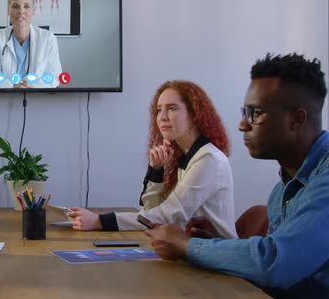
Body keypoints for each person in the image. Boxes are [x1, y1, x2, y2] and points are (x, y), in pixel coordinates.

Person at [145, 53, 329, 298]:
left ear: (296, 120)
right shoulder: (282, 190)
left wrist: (187, 245)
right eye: (244, 112)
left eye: (255, 113)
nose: (242, 124)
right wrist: (214, 242)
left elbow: (276, 262)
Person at [68, 80, 237, 239]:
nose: (162, 117)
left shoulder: (208, 159)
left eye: (172, 108)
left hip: (219, 260)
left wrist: (100, 221)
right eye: (158, 109)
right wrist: (156, 171)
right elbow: (152, 212)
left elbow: (167, 215)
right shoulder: (186, 155)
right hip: (196, 253)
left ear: (194, 114)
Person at [0, 0, 62, 88]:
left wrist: (34, 86)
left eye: (26, 6)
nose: (21, 11)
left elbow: (54, 77)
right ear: (8, 10)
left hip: (37, 97)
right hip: (5, 97)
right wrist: (13, 86)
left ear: (33, 10)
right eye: (15, 6)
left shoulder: (48, 39)